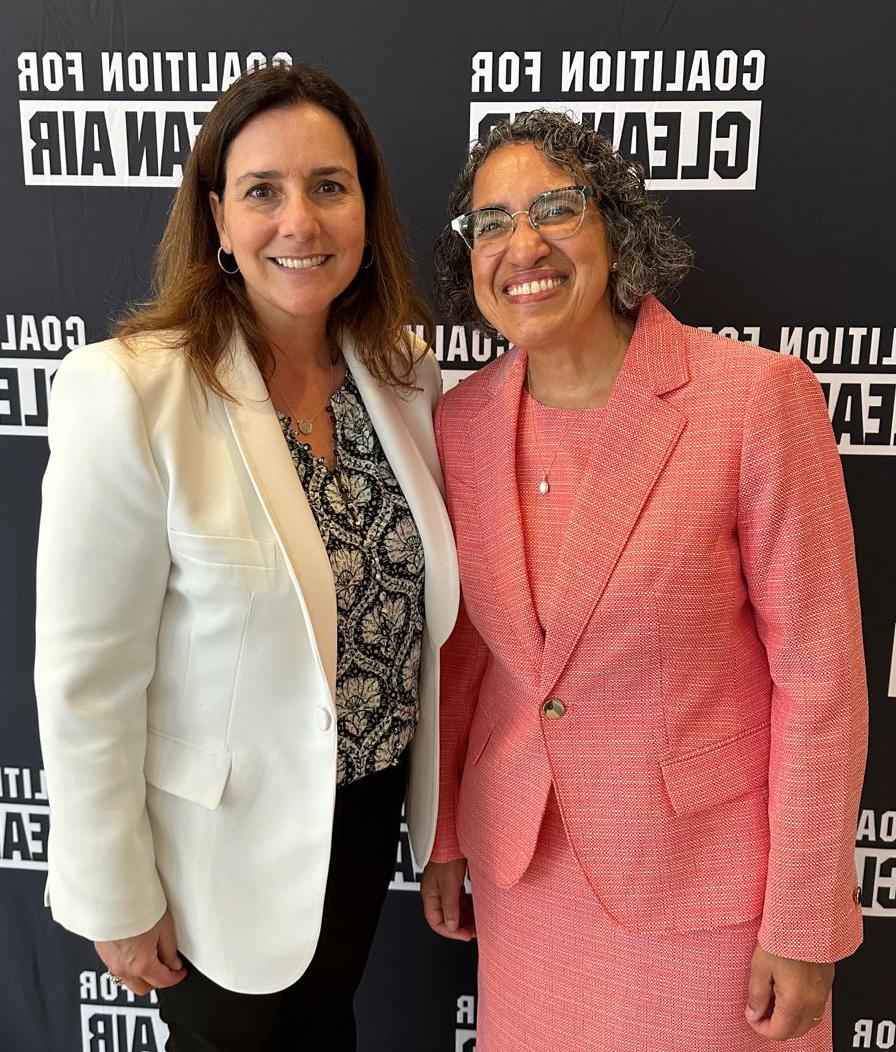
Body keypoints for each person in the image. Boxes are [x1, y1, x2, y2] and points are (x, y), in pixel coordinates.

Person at [421, 109, 867, 1052]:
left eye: (554, 208)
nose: (522, 244)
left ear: (615, 226)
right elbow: (465, 657)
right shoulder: (460, 424)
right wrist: (448, 838)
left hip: (706, 896)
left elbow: (821, 682)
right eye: (491, 224)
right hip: (526, 880)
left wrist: (803, 919)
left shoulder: (753, 398)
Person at [34, 63, 458, 1051]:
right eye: (262, 191)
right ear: (218, 219)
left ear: (364, 208)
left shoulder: (402, 375)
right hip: (210, 852)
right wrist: (113, 887)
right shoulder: (131, 389)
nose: (298, 221)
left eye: (328, 185)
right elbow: (86, 676)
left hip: (360, 816)